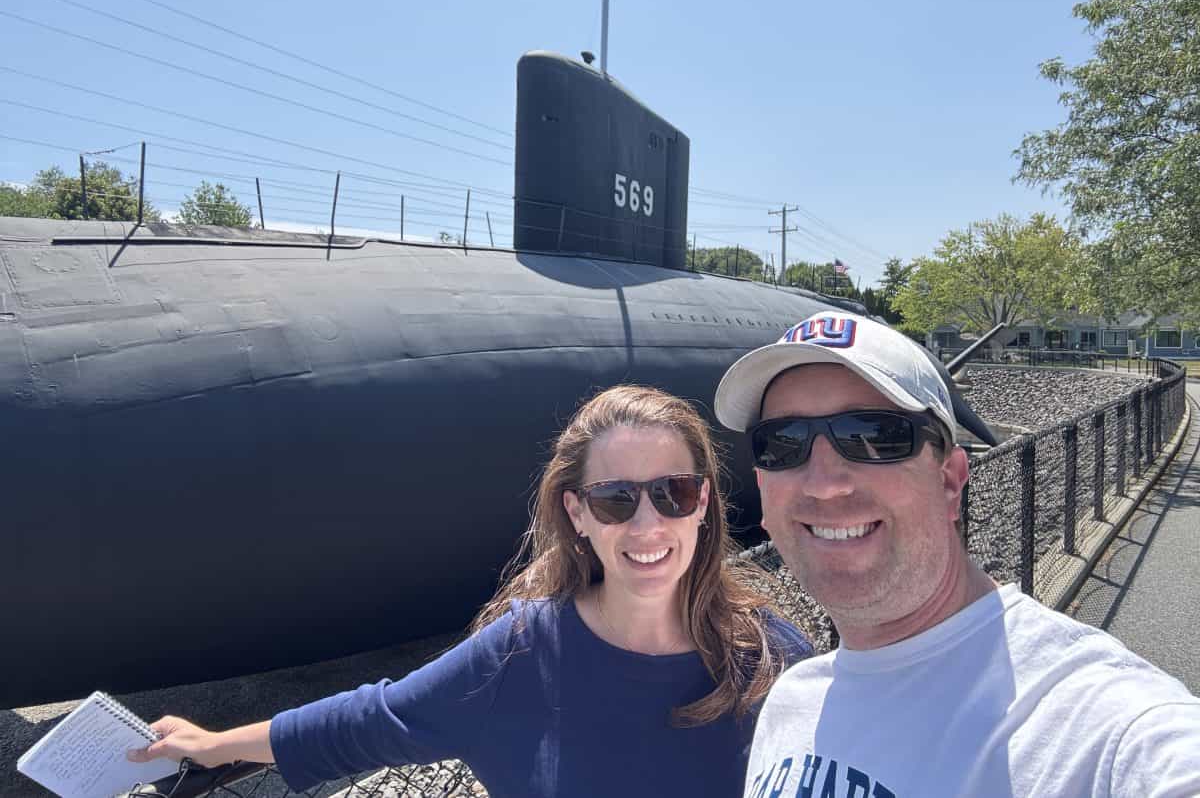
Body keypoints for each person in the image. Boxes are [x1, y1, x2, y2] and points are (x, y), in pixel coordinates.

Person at [129, 384, 812, 797]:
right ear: (577, 513)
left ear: (703, 503)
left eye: (673, 492)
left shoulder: (775, 662)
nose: (647, 524)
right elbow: (372, 720)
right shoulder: (520, 653)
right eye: (614, 499)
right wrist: (215, 745)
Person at [713, 311, 1200, 798]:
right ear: (763, 487)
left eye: (874, 436)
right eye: (783, 444)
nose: (824, 484)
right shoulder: (789, 703)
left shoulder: (1093, 720)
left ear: (949, 480)